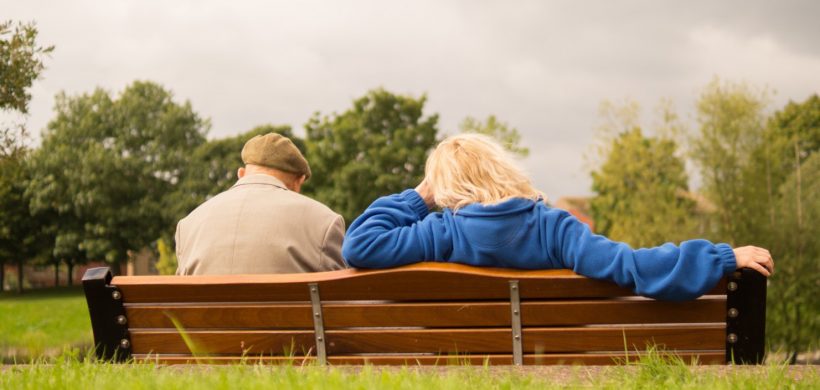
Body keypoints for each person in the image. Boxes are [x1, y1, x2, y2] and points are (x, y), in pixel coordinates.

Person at [342, 133, 774, 300]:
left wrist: (420, 197)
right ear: (502, 169)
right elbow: (631, 266)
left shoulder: (439, 232)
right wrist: (719, 257)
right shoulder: (554, 228)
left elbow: (359, 245)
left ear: (446, 188)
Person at [176, 133, 346, 275]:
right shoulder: (324, 222)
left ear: (241, 174)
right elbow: (339, 301)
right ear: (298, 181)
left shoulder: (188, 225)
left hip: (204, 317)